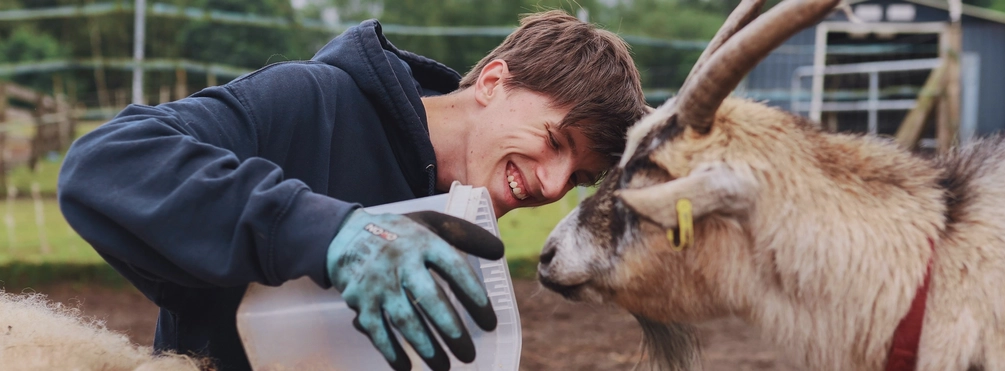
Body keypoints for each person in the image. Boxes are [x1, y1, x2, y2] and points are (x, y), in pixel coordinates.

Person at [57, 9, 646, 371]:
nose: (551, 184)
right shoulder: (310, 102)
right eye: (555, 140)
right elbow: (106, 163)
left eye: (578, 178)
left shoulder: (462, 216)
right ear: (494, 82)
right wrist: (330, 233)